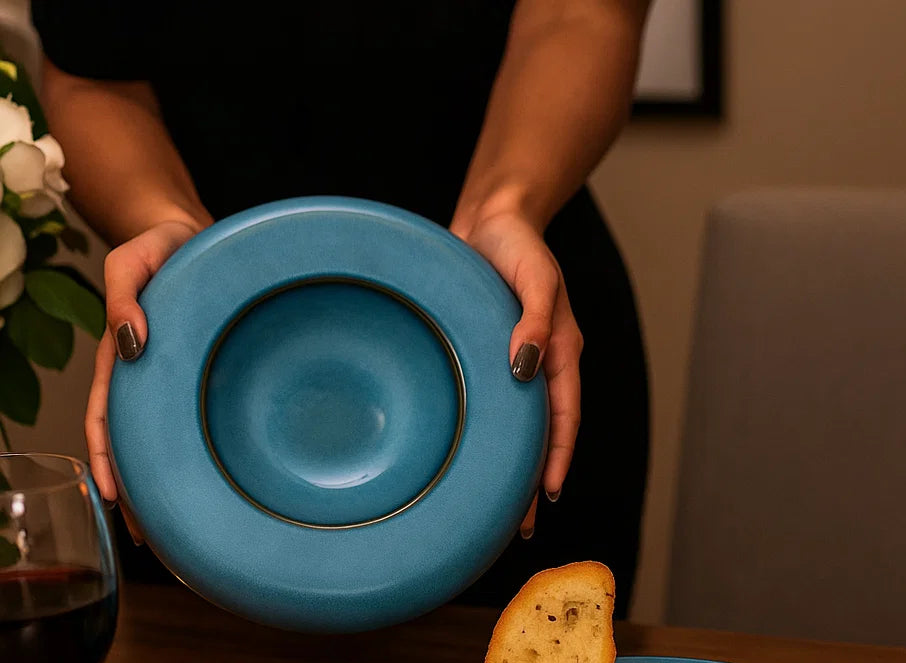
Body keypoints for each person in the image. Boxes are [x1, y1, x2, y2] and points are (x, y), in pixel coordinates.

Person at [31, 0, 651, 615]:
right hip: (195, 365)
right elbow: (90, 73)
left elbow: (581, 15)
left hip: (504, 320)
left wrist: (505, 206)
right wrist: (174, 239)